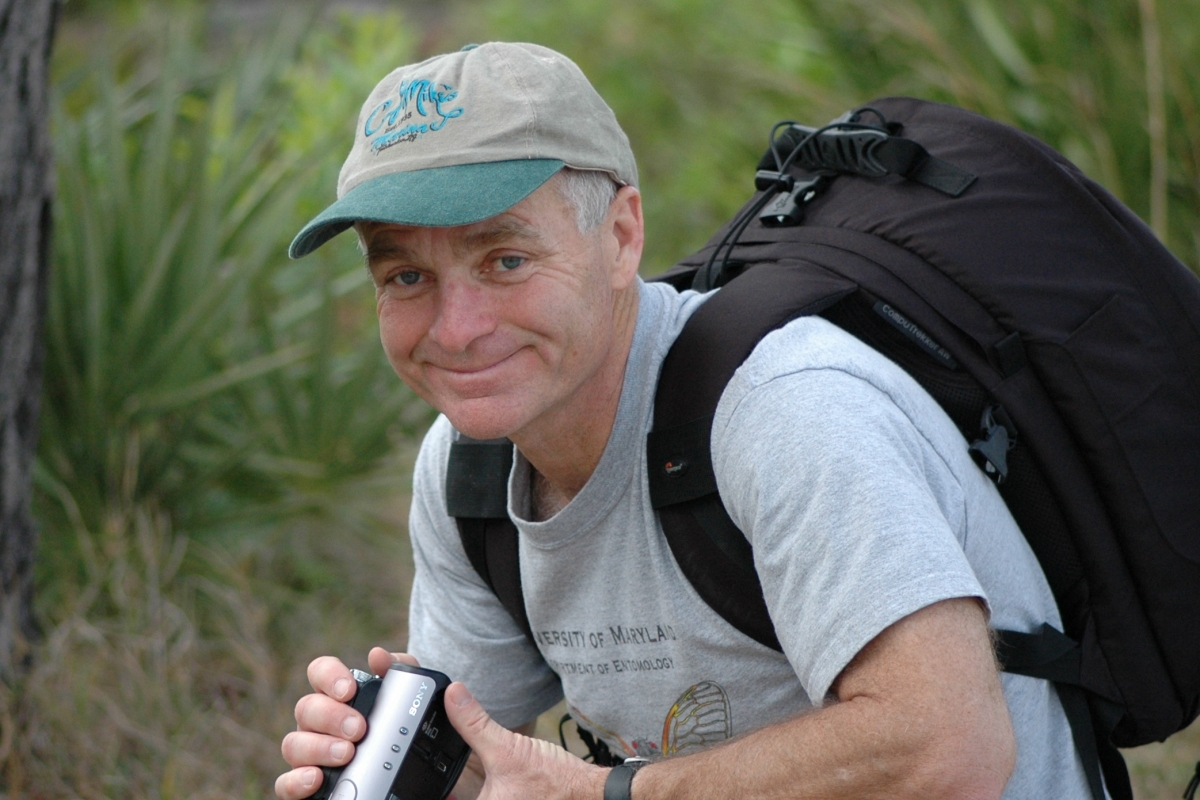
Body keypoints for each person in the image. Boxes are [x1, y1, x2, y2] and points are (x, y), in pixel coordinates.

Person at [275, 42, 1094, 800]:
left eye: (507, 261)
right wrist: (379, 761)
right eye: (408, 276)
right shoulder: (469, 468)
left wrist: (613, 792)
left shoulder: (784, 411)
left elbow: (950, 748)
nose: (456, 330)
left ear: (622, 235)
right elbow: (486, 761)